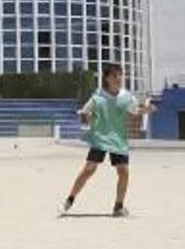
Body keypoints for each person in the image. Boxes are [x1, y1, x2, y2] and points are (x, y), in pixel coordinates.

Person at [60, 63, 156, 218]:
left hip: (118, 139)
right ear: (106, 78)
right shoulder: (98, 96)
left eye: (120, 74)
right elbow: (85, 112)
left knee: (123, 172)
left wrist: (147, 110)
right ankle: (69, 200)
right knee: (89, 170)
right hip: (100, 138)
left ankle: (118, 207)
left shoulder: (126, 96)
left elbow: (135, 110)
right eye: (114, 75)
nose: (118, 78)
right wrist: (88, 119)